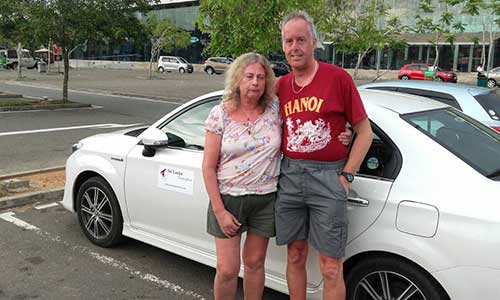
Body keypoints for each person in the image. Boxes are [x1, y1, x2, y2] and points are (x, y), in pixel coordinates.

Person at [275, 11, 373, 300]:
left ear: (314, 42)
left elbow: (364, 132)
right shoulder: (280, 87)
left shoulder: (337, 78)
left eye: (301, 40)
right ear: (283, 45)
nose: (295, 47)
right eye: (289, 41)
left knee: (330, 266)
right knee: (294, 255)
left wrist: (346, 176)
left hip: (328, 177)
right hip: (290, 176)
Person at [202, 52, 281, 300]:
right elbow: (208, 167)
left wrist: (343, 133)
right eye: (249, 76)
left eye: (260, 77)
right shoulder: (220, 114)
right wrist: (220, 211)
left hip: (265, 199)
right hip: (228, 199)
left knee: (255, 263)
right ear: (237, 79)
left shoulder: (276, 109)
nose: (255, 82)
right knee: (227, 270)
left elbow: (309, 121)